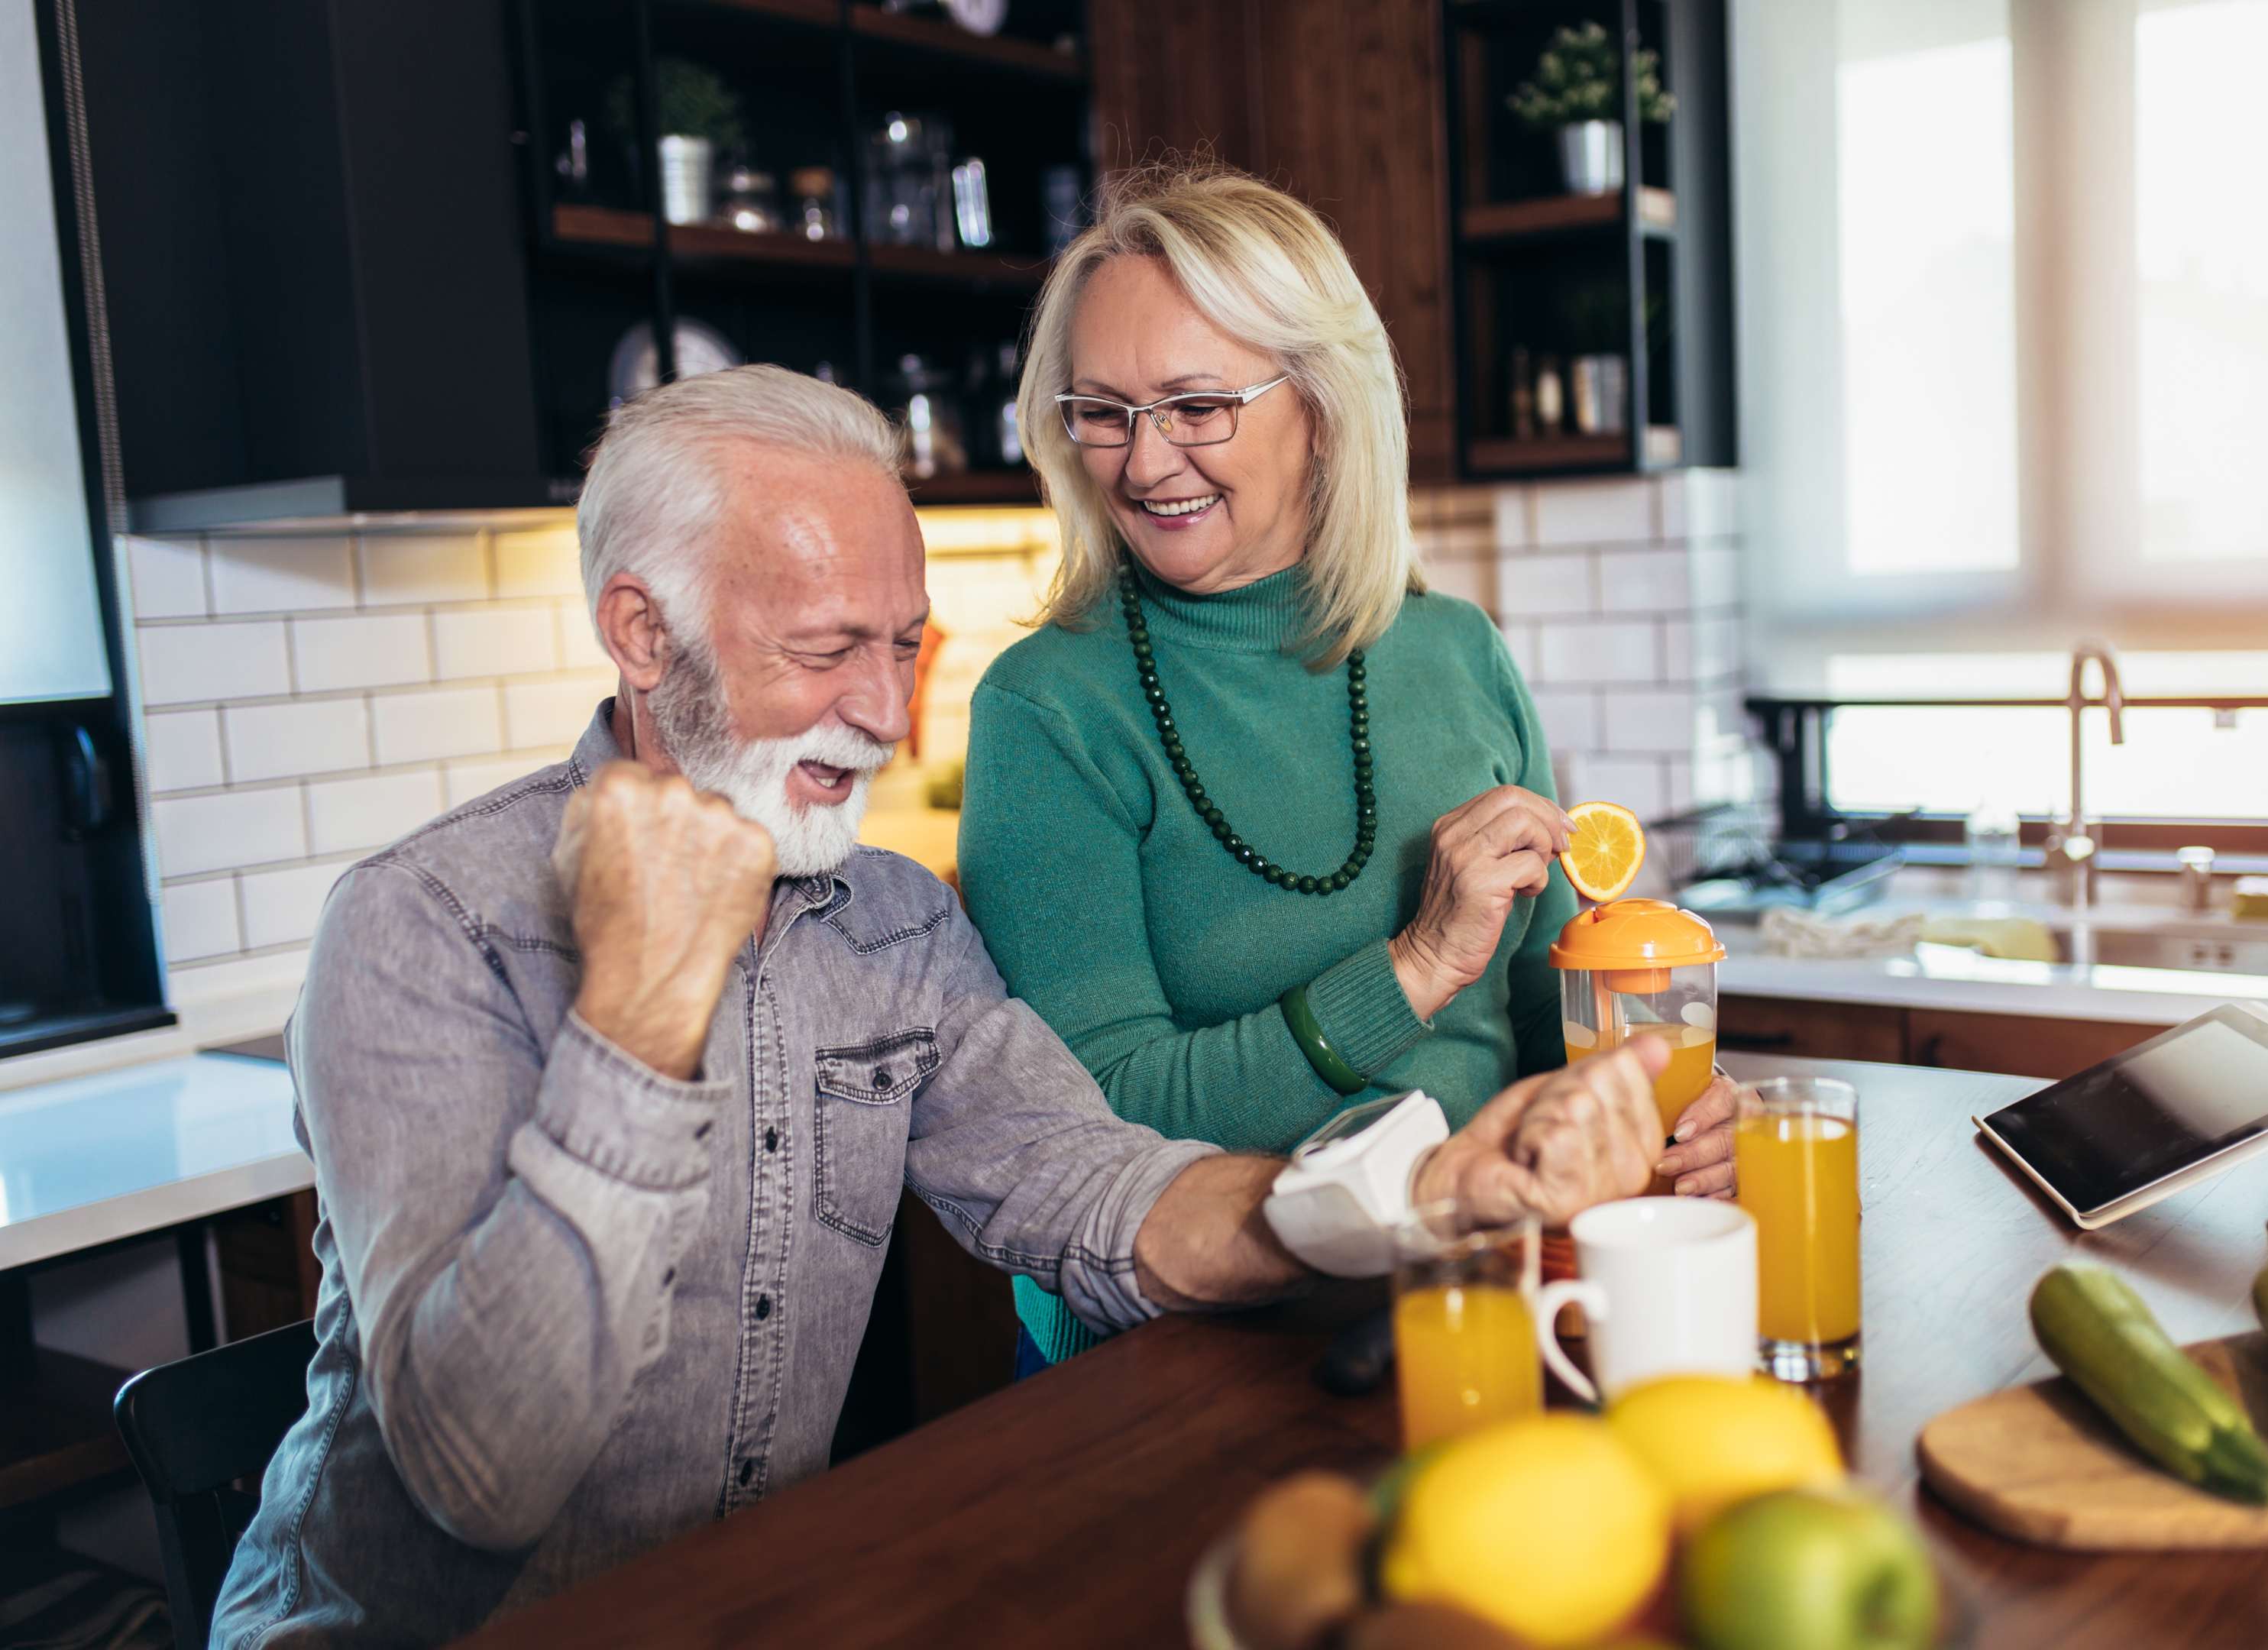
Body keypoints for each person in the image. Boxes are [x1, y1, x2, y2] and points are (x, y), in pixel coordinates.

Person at [209, 366, 1677, 1647]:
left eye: (907, 644)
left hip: (752, 1606)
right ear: (644, 637)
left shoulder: (890, 920)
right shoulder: (422, 927)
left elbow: (1097, 1194)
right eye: (826, 648)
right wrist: (636, 1028)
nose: (888, 713)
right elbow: (485, 1476)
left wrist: (1419, 1189)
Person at [957, 165, 1737, 1369]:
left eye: (1197, 404)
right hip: (1194, 1345)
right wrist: (1415, 969)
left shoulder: (1452, 649)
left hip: (1495, 1288)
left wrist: (1660, 1106)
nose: (1144, 460)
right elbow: (1091, 1126)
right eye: (1102, 411)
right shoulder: (1047, 710)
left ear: (1322, 401)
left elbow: (1551, 1006)